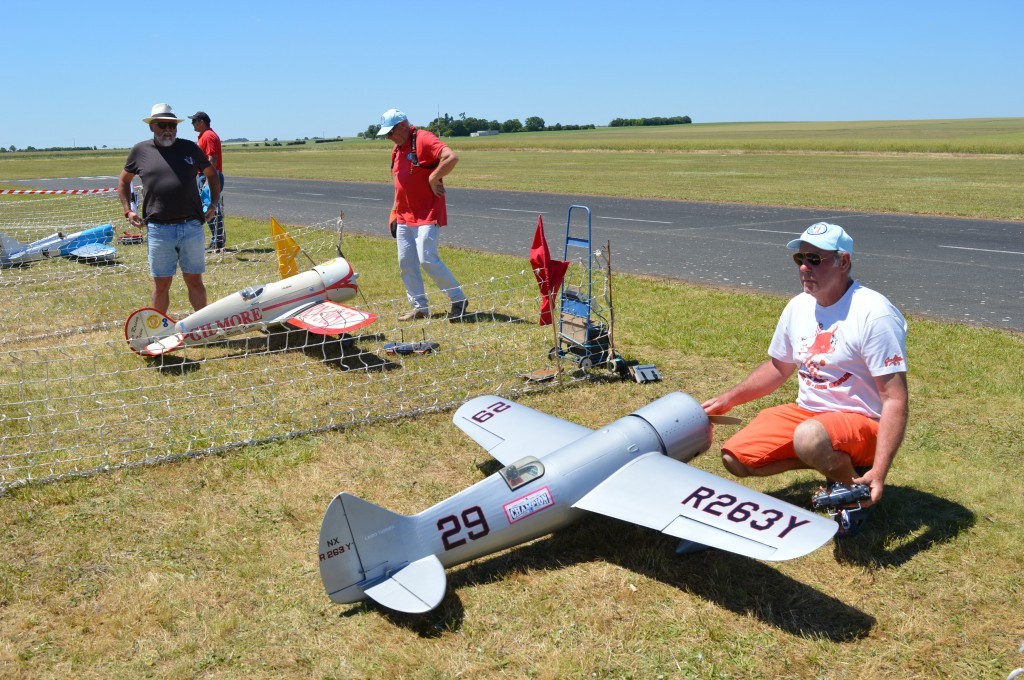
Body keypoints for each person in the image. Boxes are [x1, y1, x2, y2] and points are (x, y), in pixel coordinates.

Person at [701, 222, 909, 538]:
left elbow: (895, 399)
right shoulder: (799, 305)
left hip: (863, 423)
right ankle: (830, 462)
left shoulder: (874, 314)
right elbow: (779, 367)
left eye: (815, 259)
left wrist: (879, 473)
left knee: (809, 437)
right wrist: (728, 399)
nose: (804, 268)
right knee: (736, 458)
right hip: (810, 417)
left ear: (843, 261)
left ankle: (856, 495)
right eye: (800, 259)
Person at [118, 103, 221, 315]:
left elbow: (212, 174)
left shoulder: (190, 148)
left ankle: (203, 327)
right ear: (151, 126)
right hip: (158, 229)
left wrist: (212, 204)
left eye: (172, 125)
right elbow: (124, 181)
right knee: (161, 284)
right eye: (162, 125)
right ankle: (158, 328)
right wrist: (128, 210)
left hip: (191, 226)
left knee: (195, 280)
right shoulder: (140, 151)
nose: (168, 130)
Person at [377, 108, 468, 321]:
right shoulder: (397, 149)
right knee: (406, 262)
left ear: (403, 125)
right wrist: (393, 211)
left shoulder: (423, 139)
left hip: (427, 213)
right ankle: (419, 307)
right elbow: (399, 184)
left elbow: (451, 157)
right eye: (386, 134)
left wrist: (433, 177)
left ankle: (459, 300)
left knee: (427, 259)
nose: (389, 137)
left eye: (390, 132)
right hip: (403, 215)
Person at [189, 111, 225, 251]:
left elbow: (212, 158)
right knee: (208, 208)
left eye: (194, 121)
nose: (192, 124)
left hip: (209, 176)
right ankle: (217, 240)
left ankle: (218, 241)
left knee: (210, 209)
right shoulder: (204, 135)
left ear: (201, 122)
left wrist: (208, 178)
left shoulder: (208, 136)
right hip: (205, 176)